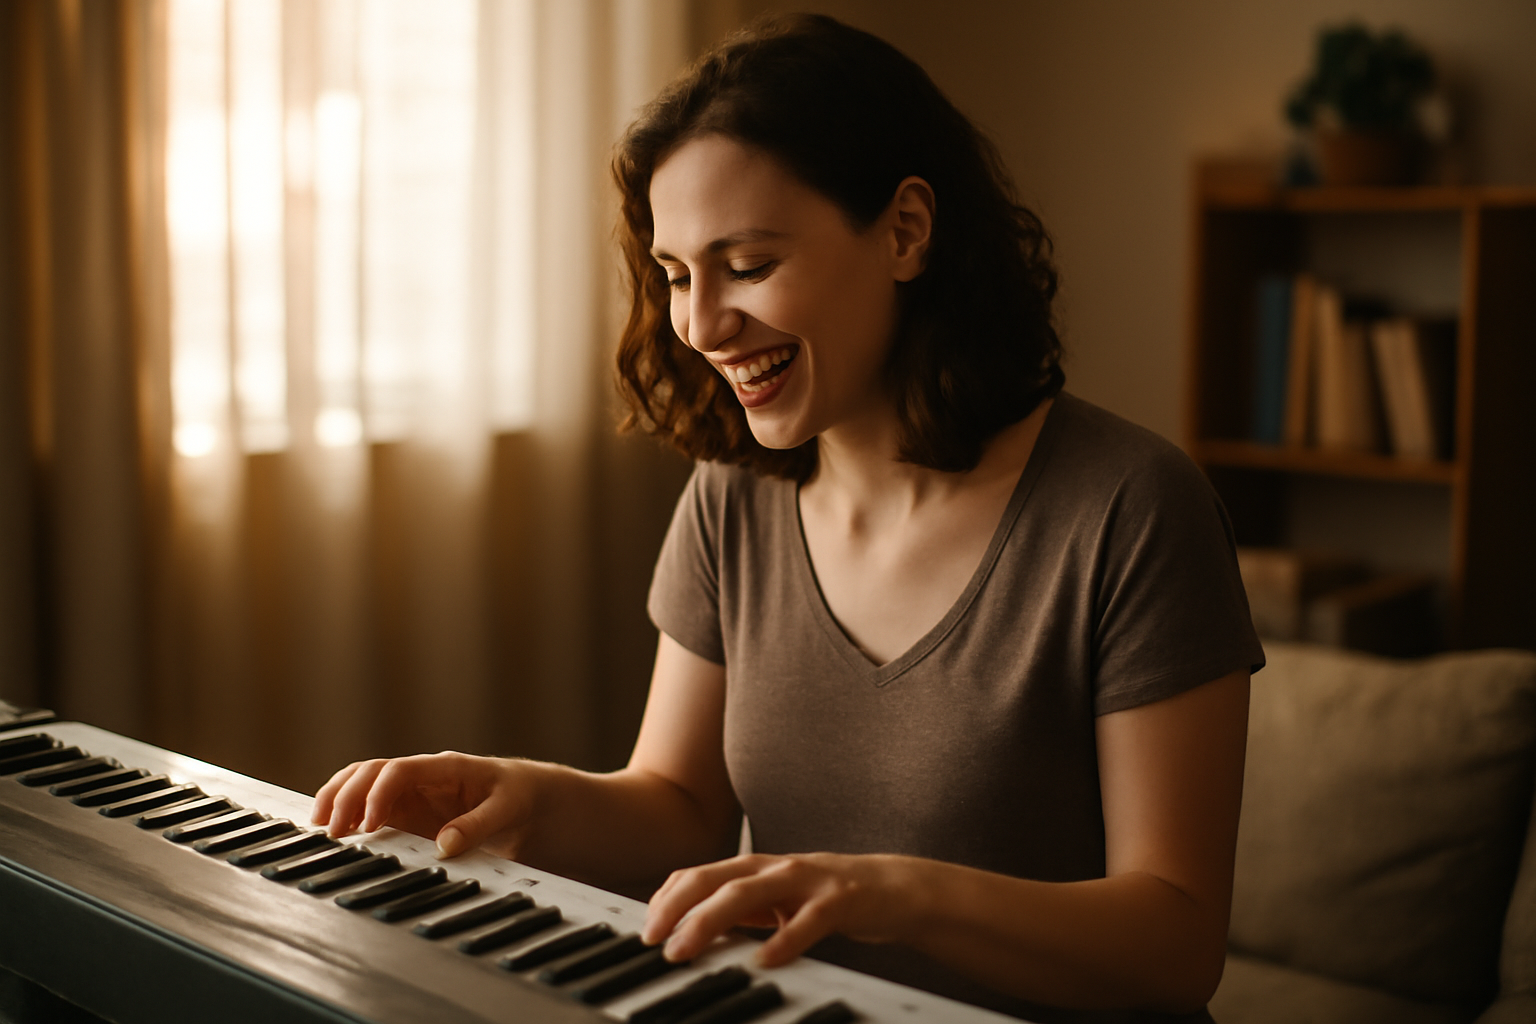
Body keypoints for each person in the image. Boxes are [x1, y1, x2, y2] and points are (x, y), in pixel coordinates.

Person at [312, 15, 1264, 1023]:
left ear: (905, 231)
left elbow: (1176, 940)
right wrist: (518, 794)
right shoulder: (735, 498)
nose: (701, 325)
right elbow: (679, 807)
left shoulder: (1131, 506)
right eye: (678, 274)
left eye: (749, 265)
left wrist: (896, 894)